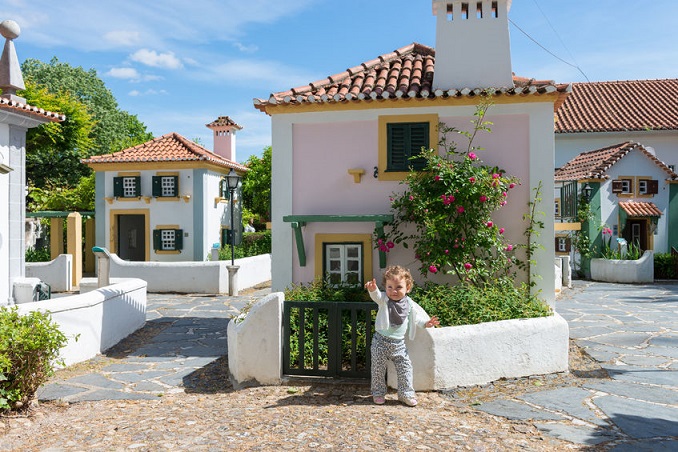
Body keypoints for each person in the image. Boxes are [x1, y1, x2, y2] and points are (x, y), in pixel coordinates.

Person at [365, 265, 439, 407]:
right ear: (385, 287)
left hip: (399, 344)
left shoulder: (409, 304)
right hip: (380, 341)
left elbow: (414, 319)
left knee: (405, 368)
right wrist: (372, 289)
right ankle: (378, 393)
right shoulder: (384, 300)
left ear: (408, 287)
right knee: (378, 368)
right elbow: (377, 296)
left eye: (398, 287)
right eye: (390, 287)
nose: (393, 291)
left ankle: (406, 394)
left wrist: (426, 323)